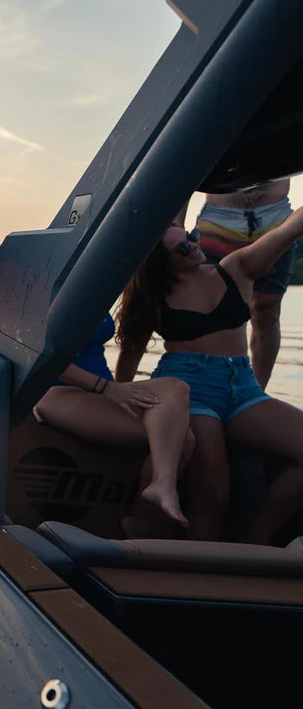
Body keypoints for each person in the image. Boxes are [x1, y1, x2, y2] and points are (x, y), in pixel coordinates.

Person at [116, 205, 303, 544]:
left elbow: (286, 231)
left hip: (242, 388)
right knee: (213, 496)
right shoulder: (153, 297)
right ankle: (199, 571)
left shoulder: (236, 269)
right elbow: (130, 354)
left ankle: (258, 540)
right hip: (190, 390)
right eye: (182, 248)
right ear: (162, 263)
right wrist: (119, 395)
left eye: (193, 237)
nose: (194, 246)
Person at [35, 312, 193, 529]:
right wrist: (107, 388)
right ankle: (142, 523)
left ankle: (160, 485)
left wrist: (115, 388)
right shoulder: (45, 285)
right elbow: (42, 354)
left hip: (101, 391)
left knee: (176, 388)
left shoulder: (87, 282)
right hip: (57, 392)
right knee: (181, 438)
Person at [196, 179, 293, 388]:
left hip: (275, 216)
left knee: (267, 309)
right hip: (219, 219)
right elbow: (186, 163)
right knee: (216, 307)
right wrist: (175, 223)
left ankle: (255, 393)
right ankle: (215, 387)